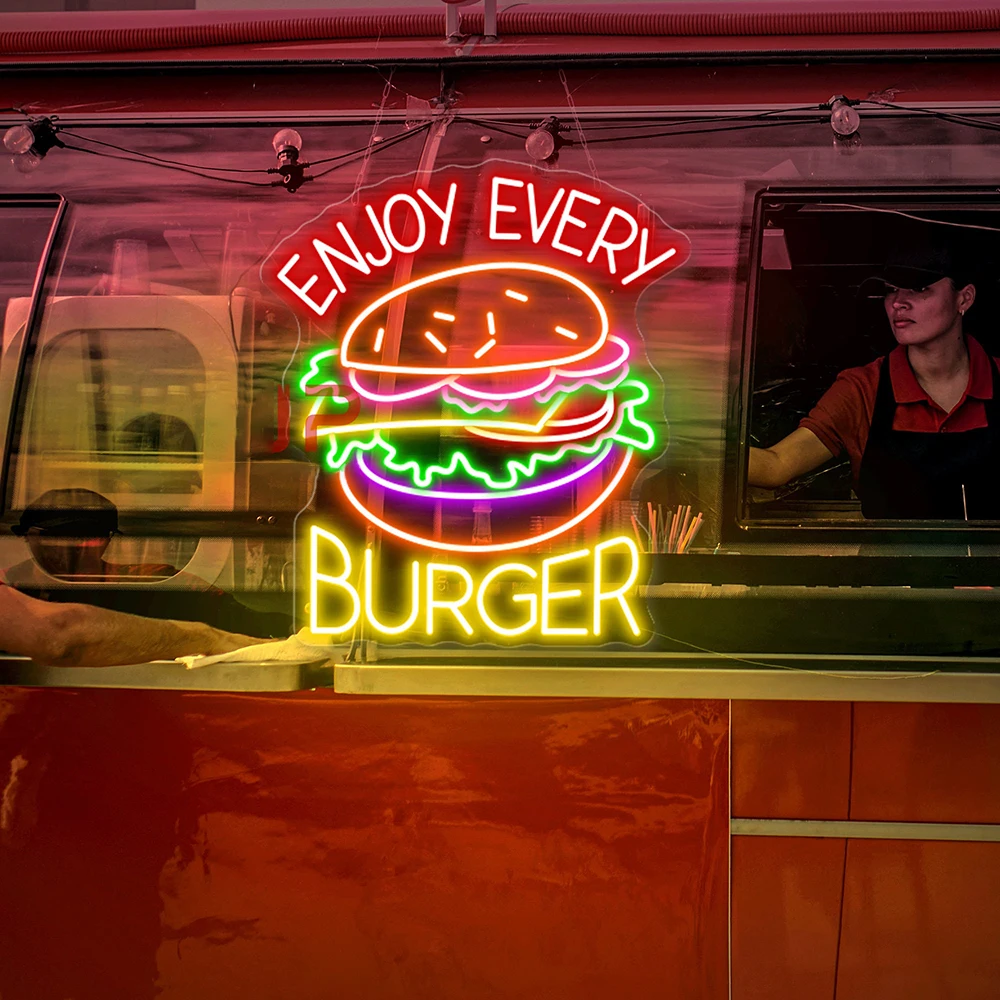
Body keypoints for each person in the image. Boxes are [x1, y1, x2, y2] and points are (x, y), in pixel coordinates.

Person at [748, 233, 1000, 519]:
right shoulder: (862, 389)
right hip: (888, 563)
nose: (898, 303)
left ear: (964, 298)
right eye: (891, 289)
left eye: (918, 288)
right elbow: (777, 464)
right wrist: (699, 447)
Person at [1, 489, 273, 667]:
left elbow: (246, 621)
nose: (76, 549)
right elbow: (59, 637)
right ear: (26, 537)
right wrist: (204, 637)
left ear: (107, 540)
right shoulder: (11, 587)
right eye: (52, 538)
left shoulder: (154, 583)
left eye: (91, 537)